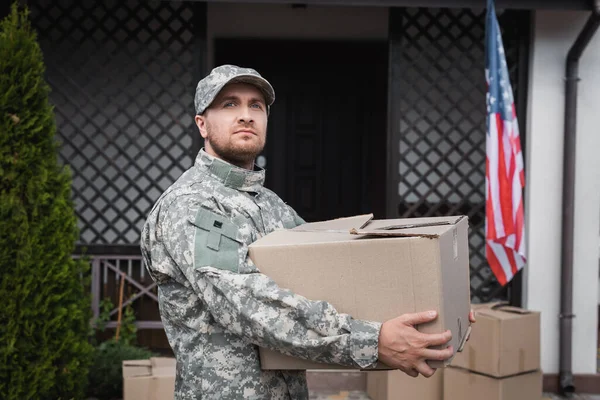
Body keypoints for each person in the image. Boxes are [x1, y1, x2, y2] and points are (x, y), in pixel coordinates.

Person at [141, 64, 475, 400]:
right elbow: (249, 306)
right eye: (229, 104)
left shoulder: (273, 206)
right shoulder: (190, 205)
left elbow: (336, 275)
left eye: (256, 105)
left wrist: (436, 308)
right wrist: (373, 342)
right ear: (202, 123)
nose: (245, 115)